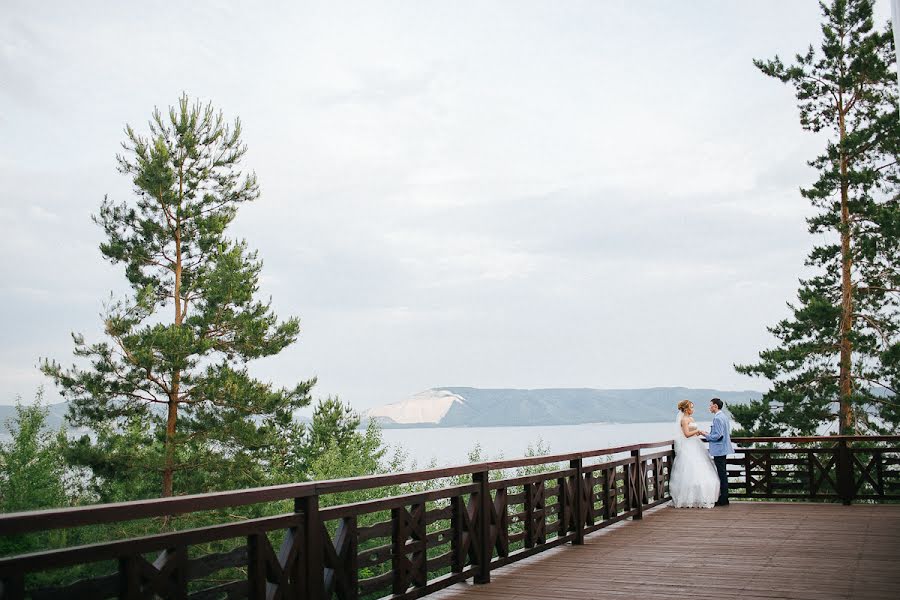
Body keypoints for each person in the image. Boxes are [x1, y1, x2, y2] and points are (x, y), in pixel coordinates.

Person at [669, 400, 719, 508]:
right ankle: (688, 499)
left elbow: (693, 432)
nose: (693, 409)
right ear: (686, 409)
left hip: (696, 445)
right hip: (688, 446)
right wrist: (697, 431)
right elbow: (687, 434)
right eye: (691, 407)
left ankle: (702, 497)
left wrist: (701, 432)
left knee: (702, 470)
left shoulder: (691, 419)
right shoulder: (683, 420)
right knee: (689, 471)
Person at [705, 397, 734, 506]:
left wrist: (706, 435)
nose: (709, 407)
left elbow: (718, 435)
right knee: (723, 473)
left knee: (722, 474)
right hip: (724, 449)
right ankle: (724, 497)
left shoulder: (717, 418)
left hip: (719, 450)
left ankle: (723, 499)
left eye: (710, 405)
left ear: (715, 406)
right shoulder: (724, 416)